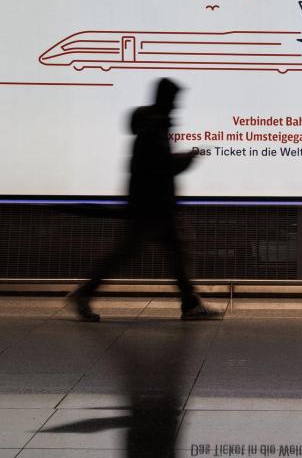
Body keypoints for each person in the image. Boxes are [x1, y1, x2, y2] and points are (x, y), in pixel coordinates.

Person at [71, 78, 220, 322]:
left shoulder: (151, 126)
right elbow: (161, 166)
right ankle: (189, 304)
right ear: (167, 99)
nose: (176, 105)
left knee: (165, 253)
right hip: (153, 206)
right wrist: (189, 158)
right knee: (160, 254)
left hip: (150, 204)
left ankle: (190, 303)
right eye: (174, 100)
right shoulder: (154, 128)